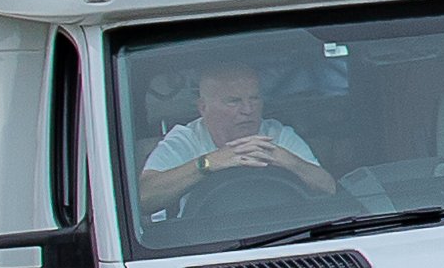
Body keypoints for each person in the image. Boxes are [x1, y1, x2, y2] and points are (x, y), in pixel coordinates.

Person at [134, 57, 332, 213]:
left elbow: (329, 189)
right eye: (234, 101)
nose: (248, 109)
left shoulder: (276, 134)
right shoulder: (186, 140)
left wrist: (288, 161)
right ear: (203, 107)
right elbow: (144, 199)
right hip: (204, 243)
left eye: (254, 98)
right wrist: (209, 163)